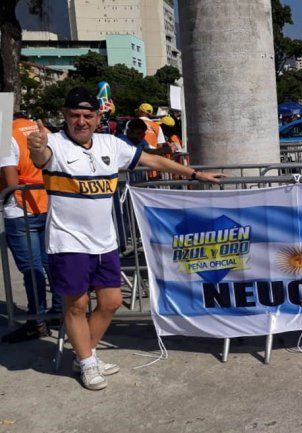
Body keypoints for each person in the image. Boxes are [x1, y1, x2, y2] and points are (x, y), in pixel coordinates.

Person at [26, 87, 224, 390]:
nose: (81, 121)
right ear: (65, 116)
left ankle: (84, 355)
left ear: (97, 117)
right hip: (68, 243)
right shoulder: (54, 143)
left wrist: (195, 175)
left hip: (105, 242)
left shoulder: (110, 144)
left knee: (111, 302)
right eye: (75, 115)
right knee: (77, 306)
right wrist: (37, 146)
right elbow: (42, 157)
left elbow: (152, 162)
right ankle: (88, 363)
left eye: (88, 115)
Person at [0, 114, 62, 343]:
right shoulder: (42, 131)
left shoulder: (5, 136)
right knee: (52, 263)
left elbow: (10, 180)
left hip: (20, 209)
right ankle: (60, 312)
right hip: (48, 204)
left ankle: (37, 322)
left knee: (32, 270)